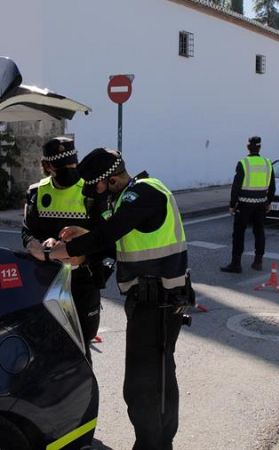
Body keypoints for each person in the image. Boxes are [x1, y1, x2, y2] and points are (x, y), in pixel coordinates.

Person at [49, 148, 193, 450]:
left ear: (110, 179)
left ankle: (153, 446)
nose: (96, 194)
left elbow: (108, 233)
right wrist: (83, 234)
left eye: (97, 187)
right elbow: (116, 241)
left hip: (159, 303)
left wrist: (57, 252)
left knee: (146, 388)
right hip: (148, 304)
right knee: (153, 382)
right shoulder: (131, 198)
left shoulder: (145, 193)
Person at [22, 136, 109, 362]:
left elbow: (107, 239)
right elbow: (26, 232)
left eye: (73, 163)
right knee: (44, 347)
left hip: (82, 282)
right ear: (49, 166)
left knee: (81, 347)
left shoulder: (92, 192)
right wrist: (36, 246)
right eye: (64, 165)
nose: (71, 169)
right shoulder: (36, 192)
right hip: (45, 281)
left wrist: (82, 258)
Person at [220, 136, 276, 273]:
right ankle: (258, 262)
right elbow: (272, 186)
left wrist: (232, 204)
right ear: (260, 147)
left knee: (239, 233)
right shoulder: (268, 163)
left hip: (244, 204)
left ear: (248, 147)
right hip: (261, 204)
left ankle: (236, 263)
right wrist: (269, 201)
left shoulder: (243, 163)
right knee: (259, 232)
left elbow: (236, 187)